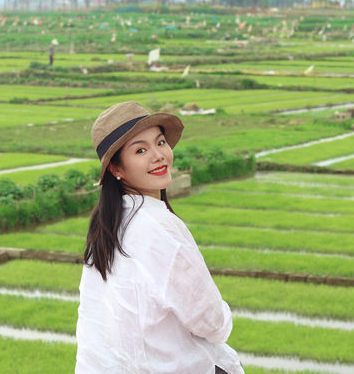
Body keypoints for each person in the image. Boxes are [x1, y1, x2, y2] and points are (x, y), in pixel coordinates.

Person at [76, 101, 243, 374]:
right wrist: (224, 315)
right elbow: (213, 323)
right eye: (141, 150)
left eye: (160, 142)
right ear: (116, 169)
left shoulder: (105, 229)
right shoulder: (159, 226)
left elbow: (94, 327)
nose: (158, 155)